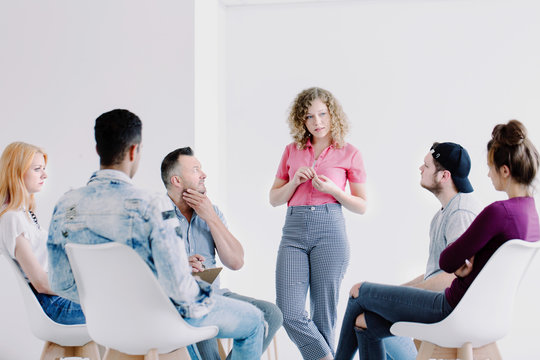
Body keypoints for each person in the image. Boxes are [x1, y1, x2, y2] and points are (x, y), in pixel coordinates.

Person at [47, 109, 264, 359]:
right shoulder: (150, 205)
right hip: (157, 321)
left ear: (98, 149)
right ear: (133, 151)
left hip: (106, 324)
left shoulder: (65, 205)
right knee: (255, 320)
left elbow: (60, 283)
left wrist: (109, 302)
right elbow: (180, 291)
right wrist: (206, 294)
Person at [334, 119, 540, 360]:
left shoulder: (496, 212)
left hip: (451, 309)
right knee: (363, 322)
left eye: (491, 167)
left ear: (505, 170)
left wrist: (464, 263)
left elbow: (448, 261)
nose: (487, 173)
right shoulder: (531, 215)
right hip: (488, 316)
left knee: (359, 292)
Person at [269, 87, 368, 360]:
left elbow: (361, 204)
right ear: (302, 120)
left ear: (332, 114)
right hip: (294, 231)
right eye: (310, 117)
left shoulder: (349, 153)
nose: (318, 122)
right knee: (288, 311)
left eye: (322, 114)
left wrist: (335, 191)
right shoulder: (292, 151)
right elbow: (274, 198)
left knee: (324, 314)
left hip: (330, 228)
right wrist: (294, 182)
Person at [160, 146, 283, 359]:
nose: (203, 175)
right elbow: (141, 269)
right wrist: (179, 264)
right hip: (179, 303)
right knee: (199, 307)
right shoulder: (154, 214)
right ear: (177, 181)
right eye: (196, 169)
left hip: (215, 297)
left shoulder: (211, 212)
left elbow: (236, 261)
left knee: (270, 314)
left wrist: (211, 217)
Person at [382, 141, 482, 359]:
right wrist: (399, 290)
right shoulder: (443, 215)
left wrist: (402, 295)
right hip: (438, 301)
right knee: (370, 309)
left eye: (426, 166)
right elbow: (435, 272)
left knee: (368, 316)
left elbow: (453, 279)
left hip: (449, 310)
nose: (420, 169)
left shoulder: (461, 212)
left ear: (444, 176)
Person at [0, 142, 85, 325]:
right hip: (55, 305)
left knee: (118, 302)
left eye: (43, 169)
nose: (44, 175)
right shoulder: (12, 218)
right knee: (120, 307)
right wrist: (82, 290)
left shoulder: (25, 214)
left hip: (56, 299)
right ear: (17, 172)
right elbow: (41, 283)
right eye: (37, 169)